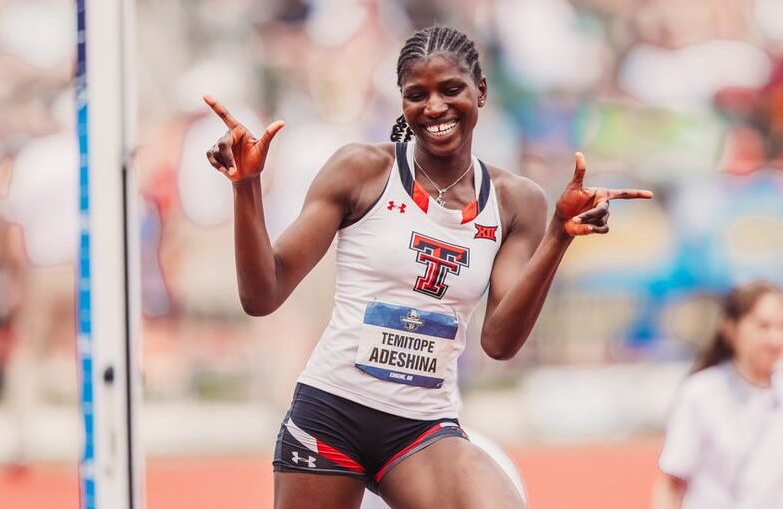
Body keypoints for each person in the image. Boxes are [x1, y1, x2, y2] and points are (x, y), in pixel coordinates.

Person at [204, 25, 653, 509]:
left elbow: (499, 343)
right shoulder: (361, 171)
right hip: (332, 413)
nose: (435, 107)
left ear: (481, 91)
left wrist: (558, 237)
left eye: (451, 89)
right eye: (417, 95)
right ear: (402, 102)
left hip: (421, 428)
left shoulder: (515, 201)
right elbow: (263, 294)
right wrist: (246, 187)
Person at [652, 281, 783, 509]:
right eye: (763, 326)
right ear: (730, 329)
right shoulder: (700, 393)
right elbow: (672, 482)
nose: (775, 339)